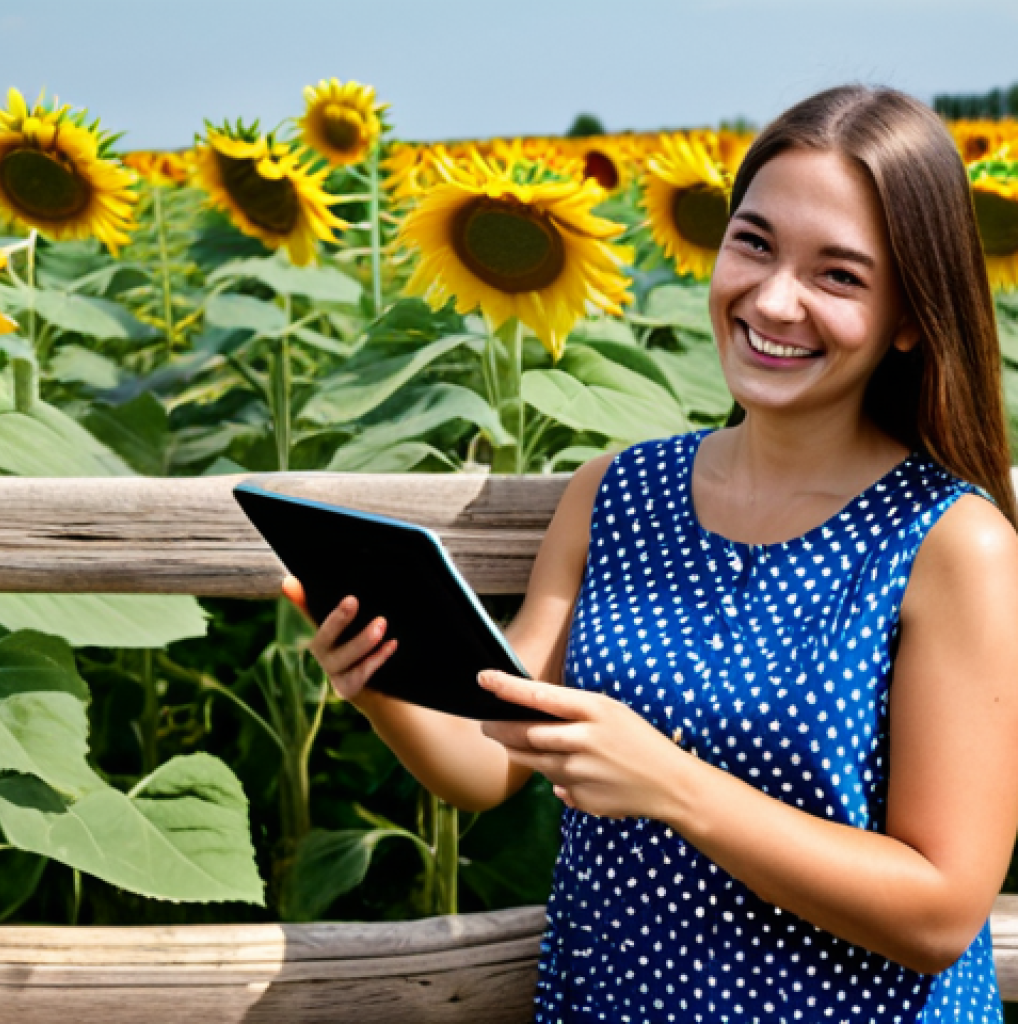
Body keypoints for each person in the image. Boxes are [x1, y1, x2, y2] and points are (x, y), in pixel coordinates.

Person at [282, 84, 1018, 1022]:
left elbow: (941, 909)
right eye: (753, 243)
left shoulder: (951, 543)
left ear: (912, 318)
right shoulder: (618, 493)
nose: (774, 298)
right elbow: (492, 757)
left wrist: (668, 783)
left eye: (839, 276)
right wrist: (379, 678)